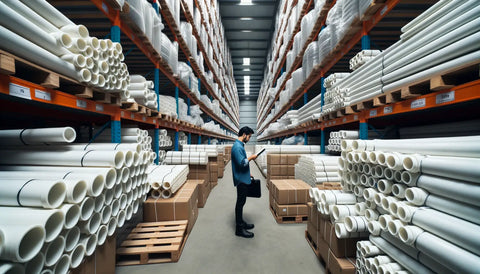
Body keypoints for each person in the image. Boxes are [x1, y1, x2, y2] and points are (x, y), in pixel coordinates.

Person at [231, 126, 257, 238]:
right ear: (244, 134)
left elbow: (241, 164)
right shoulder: (237, 147)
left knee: (242, 202)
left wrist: (248, 173)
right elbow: (242, 163)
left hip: (243, 176)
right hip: (241, 179)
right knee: (240, 203)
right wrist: (251, 157)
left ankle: (241, 223)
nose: (249, 139)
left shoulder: (240, 145)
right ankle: (239, 229)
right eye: (249, 136)